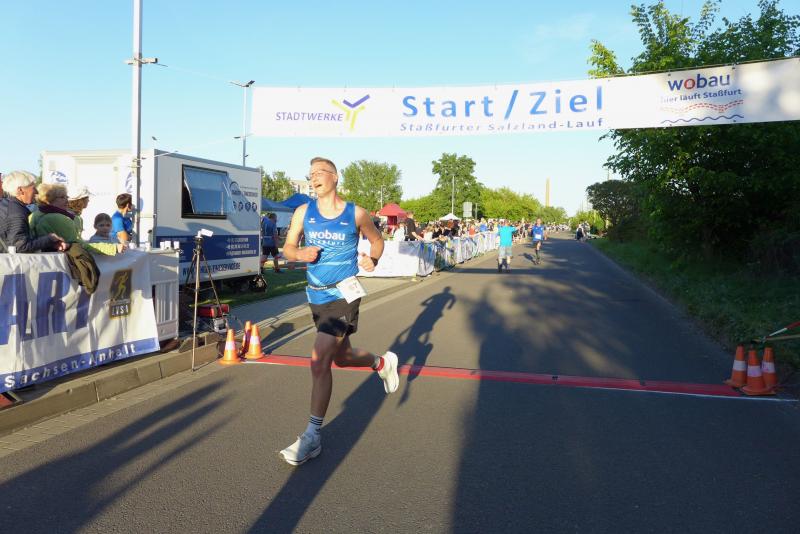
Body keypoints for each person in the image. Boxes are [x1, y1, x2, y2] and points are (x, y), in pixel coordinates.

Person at [278, 156, 397, 466]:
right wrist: (299, 253)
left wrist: (373, 258)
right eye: (310, 173)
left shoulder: (355, 213)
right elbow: (287, 248)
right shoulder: (303, 212)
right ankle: (381, 363)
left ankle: (312, 436)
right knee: (341, 357)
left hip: (344, 294)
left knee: (319, 360)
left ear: (335, 177)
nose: (314, 177)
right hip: (315, 295)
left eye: (320, 172)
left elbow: (377, 240)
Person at [30, 184, 122, 255]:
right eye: (62, 197)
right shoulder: (60, 218)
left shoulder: (35, 214)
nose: (67, 200)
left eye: (66, 197)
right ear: (49, 199)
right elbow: (79, 245)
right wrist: (112, 248)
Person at [0, 170, 66, 253]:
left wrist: (49, 244)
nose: (36, 192)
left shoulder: (7, 205)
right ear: (20, 190)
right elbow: (20, 247)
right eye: (33, 187)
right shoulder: (16, 213)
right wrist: (50, 239)